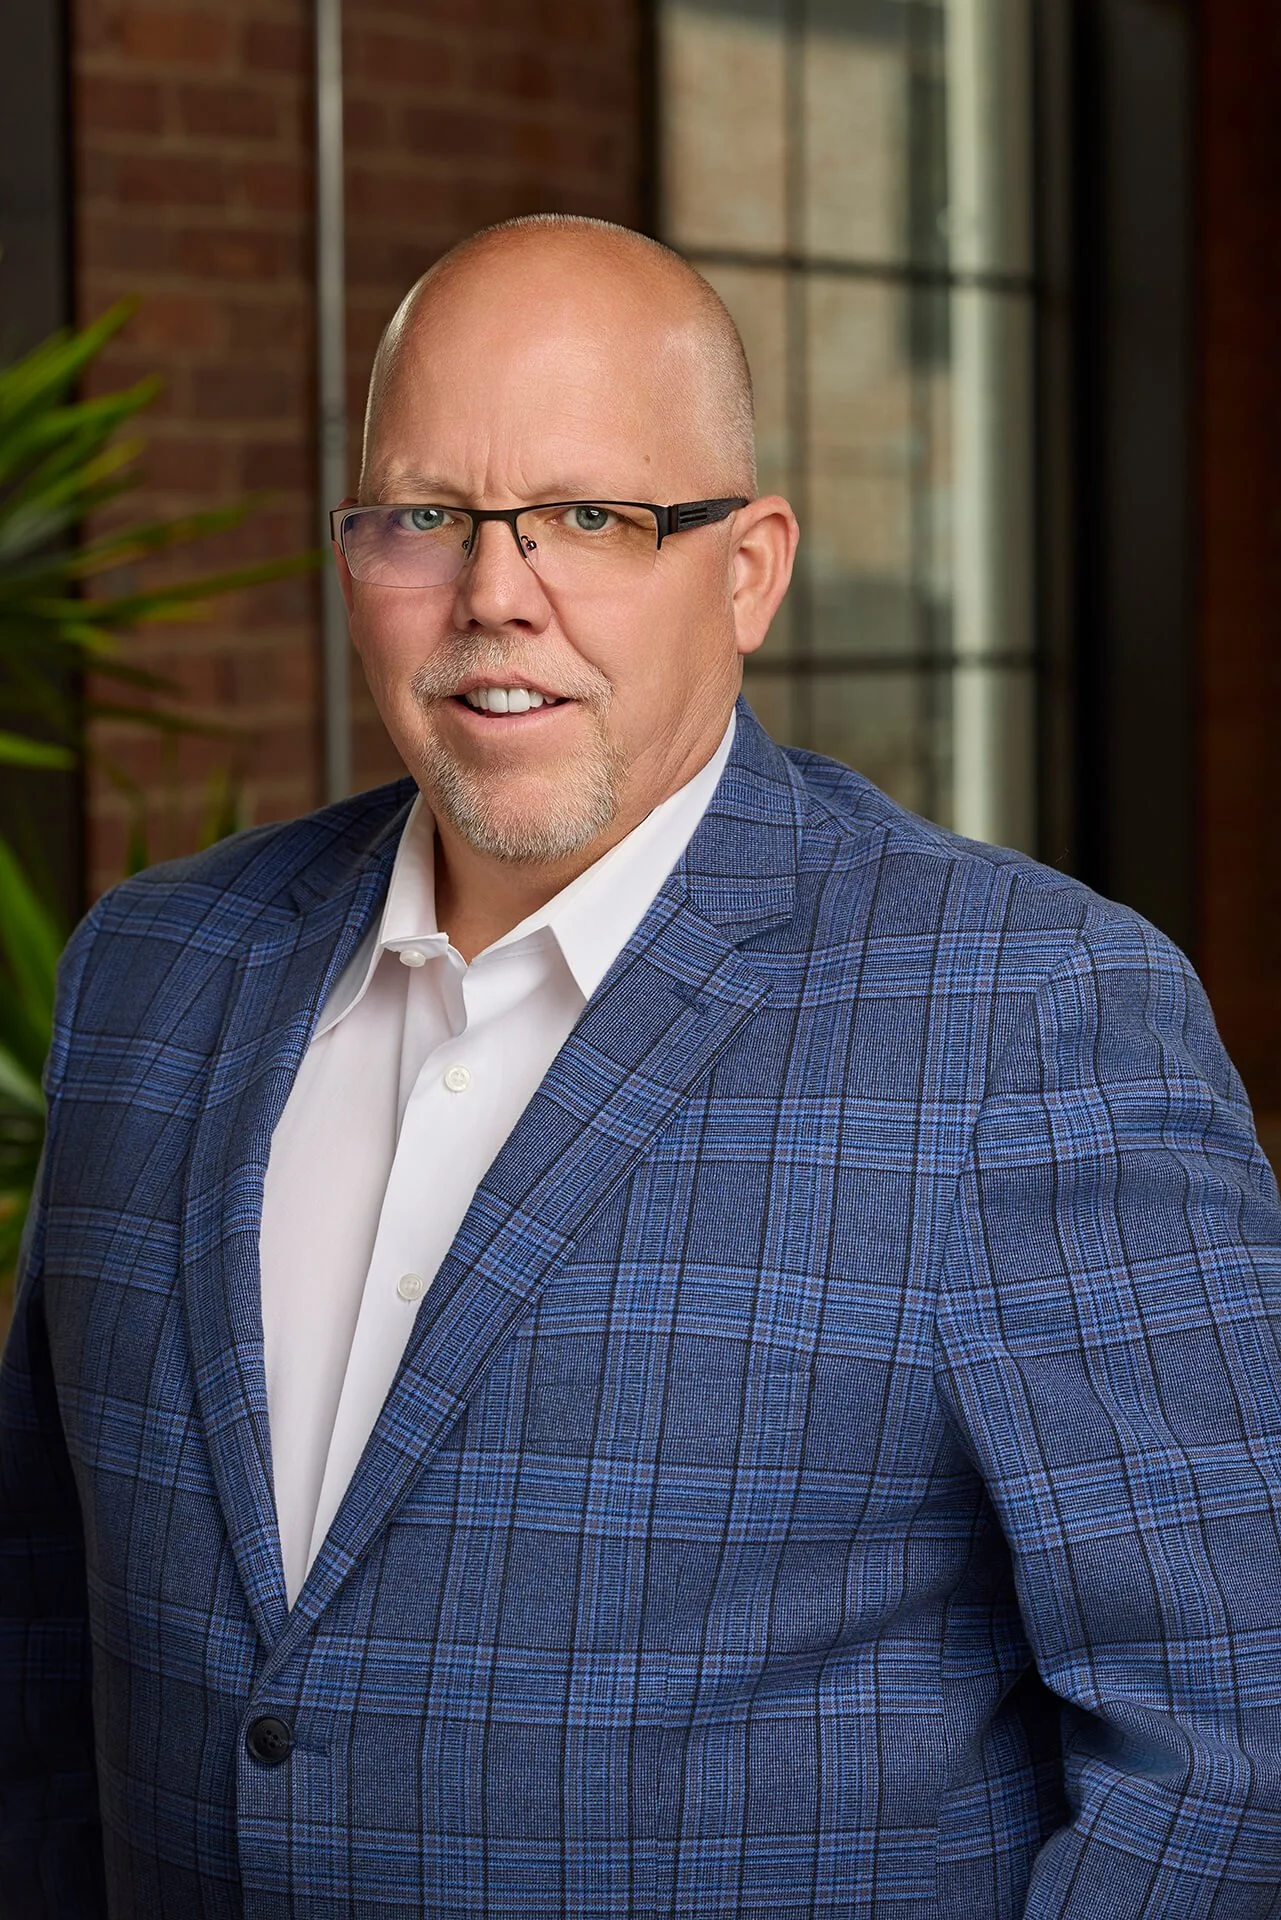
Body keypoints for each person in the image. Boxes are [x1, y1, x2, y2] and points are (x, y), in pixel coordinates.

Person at [2, 214, 1280, 1920]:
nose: (493, 594)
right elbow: (39, 1633)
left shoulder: (1025, 1018)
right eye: (425, 518)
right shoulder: (152, 974)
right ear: (353, 555)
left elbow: (1232, 1755)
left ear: (748, 571)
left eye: (590, 518)